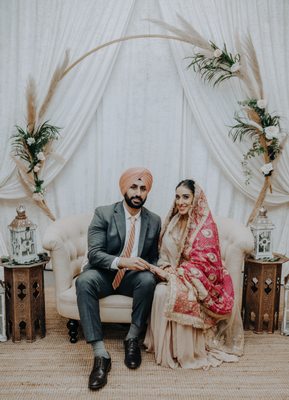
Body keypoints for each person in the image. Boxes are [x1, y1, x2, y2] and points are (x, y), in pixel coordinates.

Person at [76, 167, 161, 390]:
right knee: (84, 282)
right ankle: (100, 355)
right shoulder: (104, 213)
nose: (138, 193)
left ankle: (132, 338)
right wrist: (123, 262)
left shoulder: (154, 220)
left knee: (148, 280)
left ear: (147, 192)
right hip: (104, 274)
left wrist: (158, 267)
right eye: (134, 186)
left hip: (131, 279)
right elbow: (94, 253)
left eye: (143, 188)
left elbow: (152, 256)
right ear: (124, 188)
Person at [145, 179, 244, 369]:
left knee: (172, 294)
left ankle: (184, 351)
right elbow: (163, 254)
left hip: (197, 279)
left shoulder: (205, 227)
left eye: (185, 197)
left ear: (195, 199)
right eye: (177, 197)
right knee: (160, 292)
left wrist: (175, 274)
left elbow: (205, 264)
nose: (180, 202)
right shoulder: (173, 222)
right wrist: (165, 269)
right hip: (174, 274)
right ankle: (167, 349)